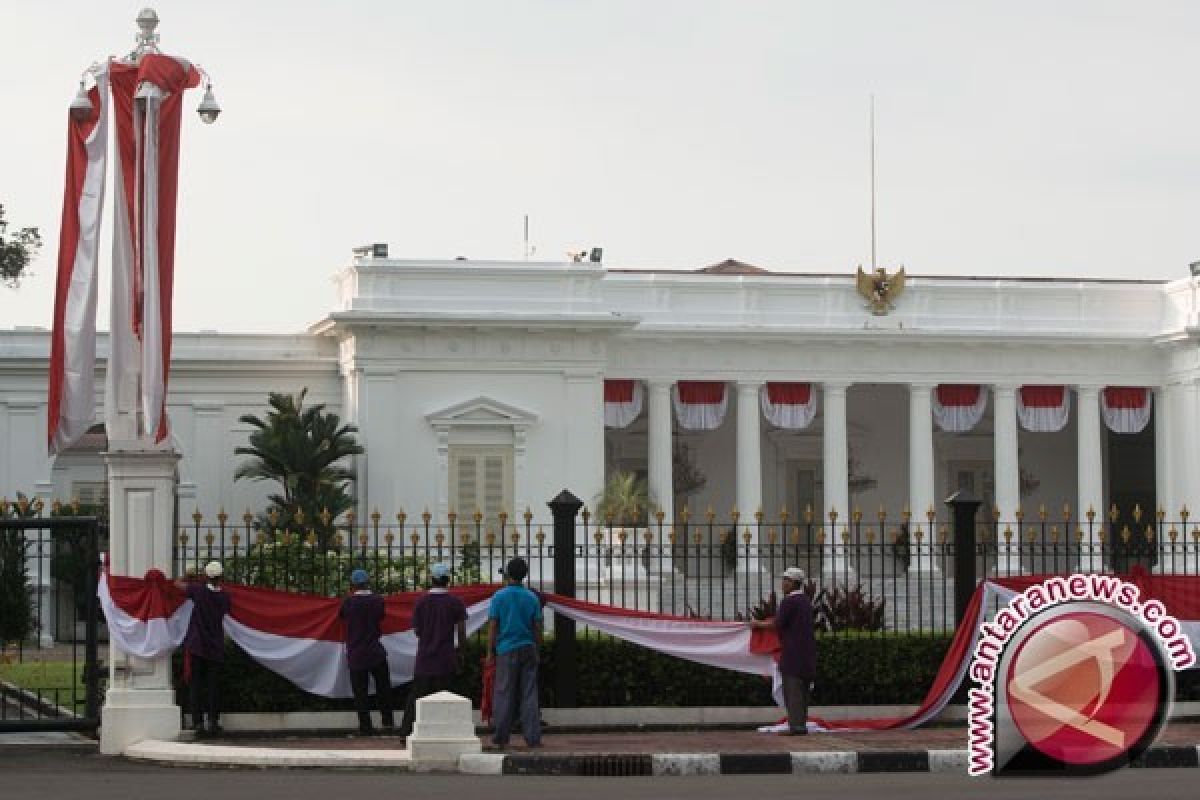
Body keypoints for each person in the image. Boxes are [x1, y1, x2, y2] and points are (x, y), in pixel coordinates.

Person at [399, 562, 467, 737]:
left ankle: (405, 732)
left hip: (425, 658)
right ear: (447, 580)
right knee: (447, 698)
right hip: (446, 658)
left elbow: (417, 631)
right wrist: (461, 652)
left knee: (417, 696)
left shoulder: (421, 602)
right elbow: (461, 630)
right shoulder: (455, 602)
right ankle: (447, 733)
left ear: (432, 579)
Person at [751, 566, 816, 735]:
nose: (783, 584)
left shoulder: (790, 601)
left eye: (786, 581)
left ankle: (796, 726)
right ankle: (801, 723)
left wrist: (758, 624)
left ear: (795, 583)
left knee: (792, 690)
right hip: (807, 654)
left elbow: (777, 624)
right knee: (803, 693)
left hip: (792, 653)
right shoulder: (806, 601)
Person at [486, 556, 543, 749]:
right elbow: (537, 627)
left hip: (506, 649)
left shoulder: (499, 596)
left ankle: (501, 736)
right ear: (524, 575)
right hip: (528, 647)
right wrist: (537, 648)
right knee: (529, 693)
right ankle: (533, 737)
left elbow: (493, 626)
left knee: (504, 692)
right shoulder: (532, 597)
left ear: (509, 574)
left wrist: (490, 652)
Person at [176, 561, 231, 737]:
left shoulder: (198, 591)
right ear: (221, 577)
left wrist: (189, 576)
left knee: (196, 685)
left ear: (206, 576)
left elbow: (177, 584)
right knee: (213, 686)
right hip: (215, 646)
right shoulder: (225, 598)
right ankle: (213, 722)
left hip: (197, 645)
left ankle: (198, 723)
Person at [340, 568, 395, 735]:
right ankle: (388, 722)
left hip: (357, 653)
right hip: (376, 652)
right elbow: (380, 616)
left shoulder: (348, 603)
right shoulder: (377, 601)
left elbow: (342, 616)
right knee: (383, 689)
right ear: (367, 583)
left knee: (360, 693)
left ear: (352, 585)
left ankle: (365, 727)